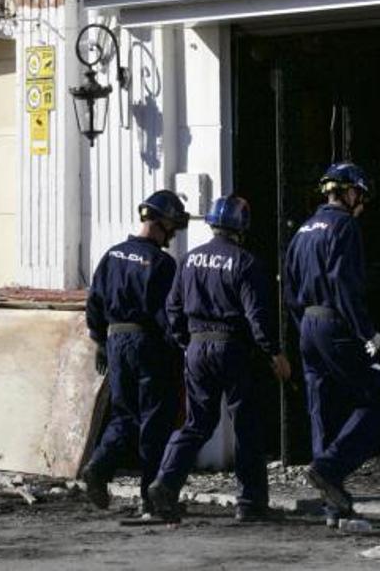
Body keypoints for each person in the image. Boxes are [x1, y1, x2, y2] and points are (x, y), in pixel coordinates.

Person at [147, 195, 292, 523]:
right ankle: (251, 503)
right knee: (246, 425)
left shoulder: (188, 260)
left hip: (197, 348)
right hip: (232, 349)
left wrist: (187, 341)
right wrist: (273, 352)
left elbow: (172, 307)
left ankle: (165, 483)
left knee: (197, 423)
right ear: (242, 227)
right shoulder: (246, 262)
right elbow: (257, 315)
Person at [284, 162, 380, 524]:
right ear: (349, 192)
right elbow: (344, 282)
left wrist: (303, 328)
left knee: (322, 408)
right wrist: (367, 331)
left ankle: (333, 505)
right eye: (359, 196)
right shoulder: (344, 226)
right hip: (334, 322)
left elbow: (288, 289)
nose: (360, 204)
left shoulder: (302, 230)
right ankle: (330, 468)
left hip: (308, 326)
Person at [81, 189, 190, 513]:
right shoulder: (162, 263)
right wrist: (179, 351)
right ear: (161, 222)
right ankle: (152, 499)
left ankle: (99, 466)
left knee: (123, 415)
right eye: (172, 227)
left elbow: (94, 302)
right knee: (155, 420)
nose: (172, 234)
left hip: (116, 342)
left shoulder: (112, 255)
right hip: (148, 345)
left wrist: (100, 341)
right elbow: (168, 316)